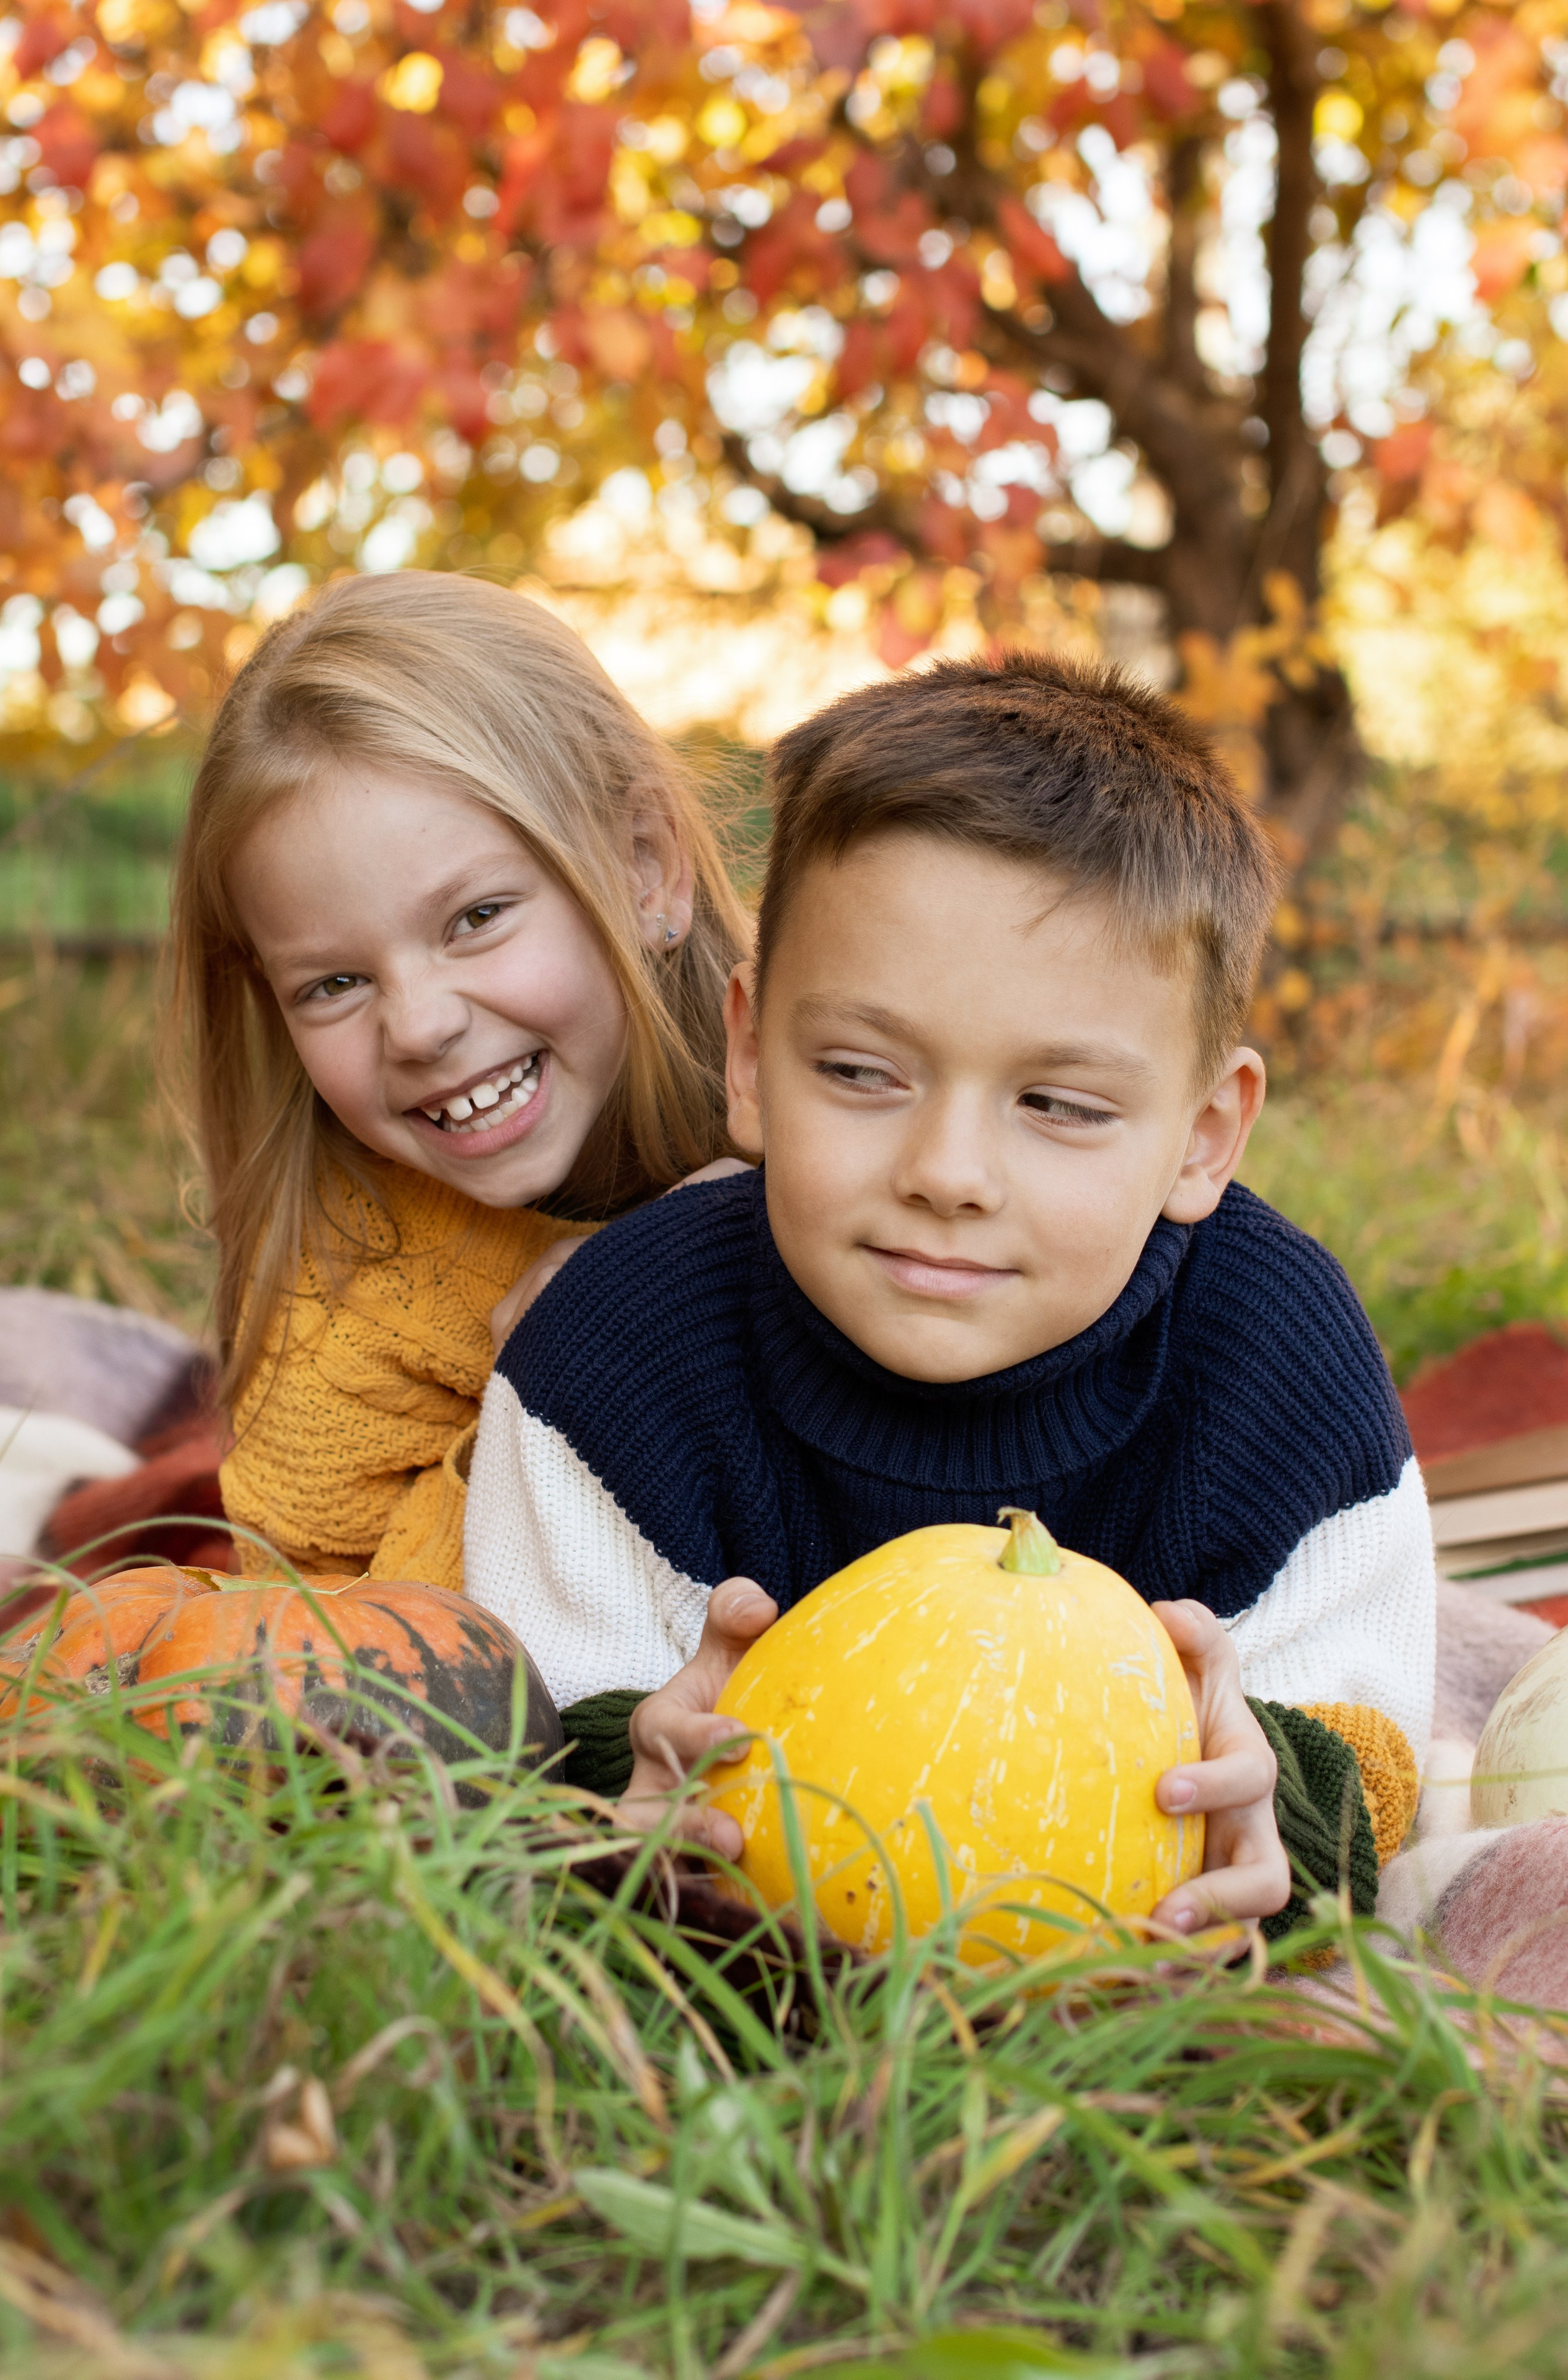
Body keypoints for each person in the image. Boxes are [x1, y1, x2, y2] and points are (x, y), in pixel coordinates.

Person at [465, 650, 1436, 1939]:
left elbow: (1365, 1748)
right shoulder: (616, 1361)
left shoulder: (1273, 1363)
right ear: (748, 1058)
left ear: (1204, 1136)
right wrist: (616, 1783)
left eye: (1058, 1105)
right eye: (861, 1073)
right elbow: (533, 1733)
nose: (947, 1174)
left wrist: (1278, 1815)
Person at [170, 570, 750, 1597]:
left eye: (476, 918)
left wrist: (719, 1239)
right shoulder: (345, 1299)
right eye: (334, 984)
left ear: (646, 865)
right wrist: (552, 1390)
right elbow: (340, 1645)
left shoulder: (863, 1088)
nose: (420, 1026)